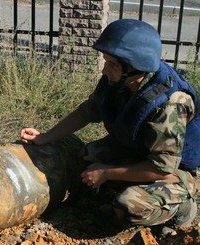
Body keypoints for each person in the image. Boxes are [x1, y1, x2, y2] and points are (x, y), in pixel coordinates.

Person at [20, 19, 200, 234]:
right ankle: (126, 184)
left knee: (130, 206)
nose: (104, 69)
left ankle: (183, 207)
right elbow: (88, 111)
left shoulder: (171, 104)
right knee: (87, 156)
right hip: (139, 151)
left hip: (174, 169)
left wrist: (107, 173)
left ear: (135, 67)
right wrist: (45, 137)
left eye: (112, 64)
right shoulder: (118, 80)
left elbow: (161, 168)